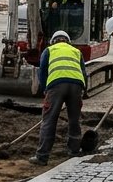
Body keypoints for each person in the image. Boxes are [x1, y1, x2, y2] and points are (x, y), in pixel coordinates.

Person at [30, 30, 87, 166]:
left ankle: (42, 156)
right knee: (74, 120)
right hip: (76, 86)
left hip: (56, 85)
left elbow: (42, 71)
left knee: (49, 120)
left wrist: (45, 89)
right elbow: (84, 72)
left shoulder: (49, 50)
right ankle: (74, 151)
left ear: (54, 41)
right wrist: (83, 91)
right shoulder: (76, 51)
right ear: (67, 41)